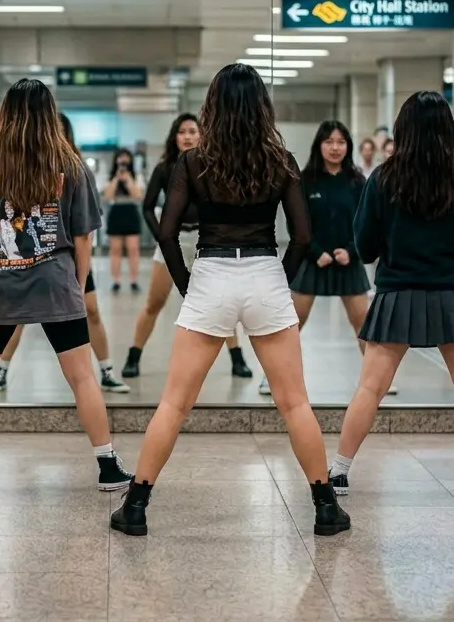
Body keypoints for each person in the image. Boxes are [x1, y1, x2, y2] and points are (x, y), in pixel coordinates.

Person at [109, 63, 350, 537]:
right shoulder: (280, 159)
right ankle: (326, 508)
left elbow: (166, 231)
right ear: (263, 106)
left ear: (212, 107)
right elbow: (302, 235)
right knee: (295, 403)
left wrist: (186, 285)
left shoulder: (193, 162)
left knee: (174, 404)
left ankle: (135, 506)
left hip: (212, 274)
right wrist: (279, 280)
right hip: (264, 272)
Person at [0, 79, 132, 492]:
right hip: (57, 287)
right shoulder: (70, 164)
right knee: (84, 379)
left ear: (5, 113)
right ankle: (107, 465)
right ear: (49, 115)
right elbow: (84, 237)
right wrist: (76, 283)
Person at [331, 90, 454, 498]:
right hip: (452, 294)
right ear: (447, 130)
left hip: (397, 294)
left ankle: (339, 471)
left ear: (403, 129)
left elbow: (365, 245)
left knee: (370, 388)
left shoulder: (383, 177)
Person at [0, 113, 129, 394]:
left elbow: (86, 226)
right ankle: (1, 371)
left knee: (90, 310)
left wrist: (81, 273)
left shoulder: (75, 170)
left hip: (71, 261)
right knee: (17, 317)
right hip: (33, 259)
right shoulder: (31, 168)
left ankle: (107, 370)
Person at [123, 113, 251, 381]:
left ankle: (237, 359)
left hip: (208, 242)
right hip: (173, 240)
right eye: (182, 132)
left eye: (193, 131)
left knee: (222, 303)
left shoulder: (213, 165)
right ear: (174, 136)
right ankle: (133, 356)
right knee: (154, 302)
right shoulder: (165, 167)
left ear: (202, 135)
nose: (188, 136)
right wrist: (161, 236)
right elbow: (147, 207)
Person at [286, 120, 373, 370]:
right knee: (292, 322)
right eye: (329, 141)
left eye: (341, 142)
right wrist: (315, 252)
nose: (335, 147)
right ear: (319, 145)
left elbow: (366, 223)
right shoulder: (305, 180)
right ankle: (276, 376)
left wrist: (351, 251)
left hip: (349, 260)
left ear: (348, 146)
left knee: (364, 323)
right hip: (313, 259)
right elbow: (297, 224)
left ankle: (375, 379)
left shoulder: (358, 181)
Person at [104, 148, 146, 292]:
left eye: (126, 157)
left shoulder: (136, 176)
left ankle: (134, 280)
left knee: (133, 249)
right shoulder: (110, 176)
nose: (123, 160)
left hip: (131, 211)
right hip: (116, 210)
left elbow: (138, 195)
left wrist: (128, 179)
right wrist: (116, 178)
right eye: (120, 157)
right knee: (115, 250)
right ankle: (116, 281)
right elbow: (108, 196)